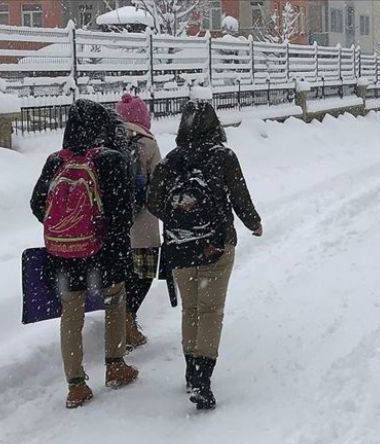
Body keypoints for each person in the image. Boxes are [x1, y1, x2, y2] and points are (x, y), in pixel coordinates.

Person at [148, 100, 262, 410]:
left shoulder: (172, 160)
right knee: (211, 311)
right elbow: (239, 196)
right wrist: (253, 223)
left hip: (179, 246)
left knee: (191, 309)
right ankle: (202, 378)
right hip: (215, 244)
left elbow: (153, 200)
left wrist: (178, 217)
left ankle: (191, 371)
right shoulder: (223, 156)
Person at [30, 99, 138, 409]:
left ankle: (75, 385)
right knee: (114, 301)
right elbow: (123, 210)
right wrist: (105, 234)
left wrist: (67, 227)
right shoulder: (110, 159)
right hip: (106, 251)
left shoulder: (56, 161)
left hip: (64, 253)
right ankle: (115, 365)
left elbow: (37, 203)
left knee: (71, 313)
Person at [115, 93, 162, 350]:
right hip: (143, 224)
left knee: (120, 276)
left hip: (115, 224)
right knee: (143, 274)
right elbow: (160, 183)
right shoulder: (148, 143)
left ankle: (119, 321)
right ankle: (128, 318)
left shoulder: (108, 141)